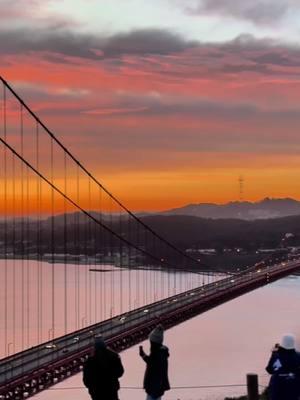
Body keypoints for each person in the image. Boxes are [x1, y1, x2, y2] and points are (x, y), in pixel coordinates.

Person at [83, 335, 124, 400]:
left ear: (95, 346)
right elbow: (120, 372)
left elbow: (86, 380)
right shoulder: (114, 356)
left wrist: (91, 389)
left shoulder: (89, 360)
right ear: (104, 344)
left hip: (96, 392)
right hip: (111, 390)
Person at [139, 324, 170, 400]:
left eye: (151, 342)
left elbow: (155, 367)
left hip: (154, 390)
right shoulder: (160, 352)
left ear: (154, 343)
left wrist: (154, 391)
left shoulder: (157, 354)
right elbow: (152, 362)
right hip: (155, 389)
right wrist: (143, 355)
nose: (150, 344)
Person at [266, 334, 300, 400]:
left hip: (277, 392)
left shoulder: (276, 356)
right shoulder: (298, 356)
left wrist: (273, 353)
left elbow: (269, 370)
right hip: (294, 392)